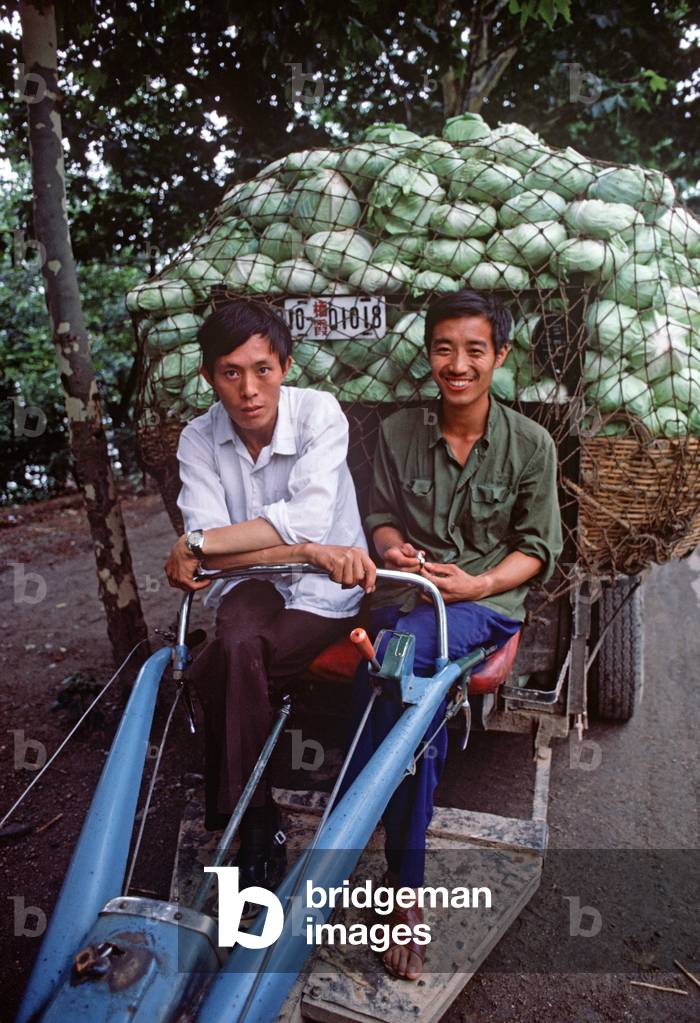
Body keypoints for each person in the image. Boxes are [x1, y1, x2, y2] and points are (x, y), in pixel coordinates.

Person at [341, 288, 563, 980]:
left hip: (478, 602)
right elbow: (377, 514)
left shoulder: (531, 443)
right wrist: (395, 545)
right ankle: (388, 867)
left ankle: (366, 866)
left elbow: (538, 548)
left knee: (399, 665)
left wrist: (479, 583)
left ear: (499, 355)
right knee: (412, 697)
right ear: (428, 354)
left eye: (474, 350)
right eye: (444, 348)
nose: (457, 364)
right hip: (406, 592)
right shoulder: (399, 431)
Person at [165, 298, 375, 893]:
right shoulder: (198, 437)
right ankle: (260, 823)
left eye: (262, 369)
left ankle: (249, 827)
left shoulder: (319, 414)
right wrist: (285, 546)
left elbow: (302, 521)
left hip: (323, 590)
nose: (249, 389)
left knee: (228, 659)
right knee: (237, 640)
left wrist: (206, 543)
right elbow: (229, 552)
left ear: (285, 366)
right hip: (255, 587)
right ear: (209, 376)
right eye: (230, 372)